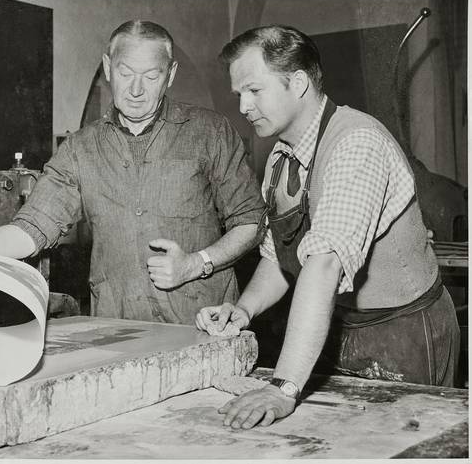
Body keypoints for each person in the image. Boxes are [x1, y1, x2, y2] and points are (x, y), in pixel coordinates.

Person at [196, 25, 460, 428]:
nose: (244, 106)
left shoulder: (356, 143)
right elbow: (278, 255)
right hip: (337, 327)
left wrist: (283, 387)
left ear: (298, 82)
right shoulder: (281, 158)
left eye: (254, 90)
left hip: (405, 333)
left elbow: (322, 265)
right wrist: (243, 310)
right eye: (238, 95)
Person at [0, 20, 264, 325]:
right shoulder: (79, 149)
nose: (137, 90)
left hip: (204, 324)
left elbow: (250, 221)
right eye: (127, 73)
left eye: (152, 75)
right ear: (108, 67)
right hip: (120, 327)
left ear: (170, 74)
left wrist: (196, 263)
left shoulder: (210, 132)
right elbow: (32, 229)